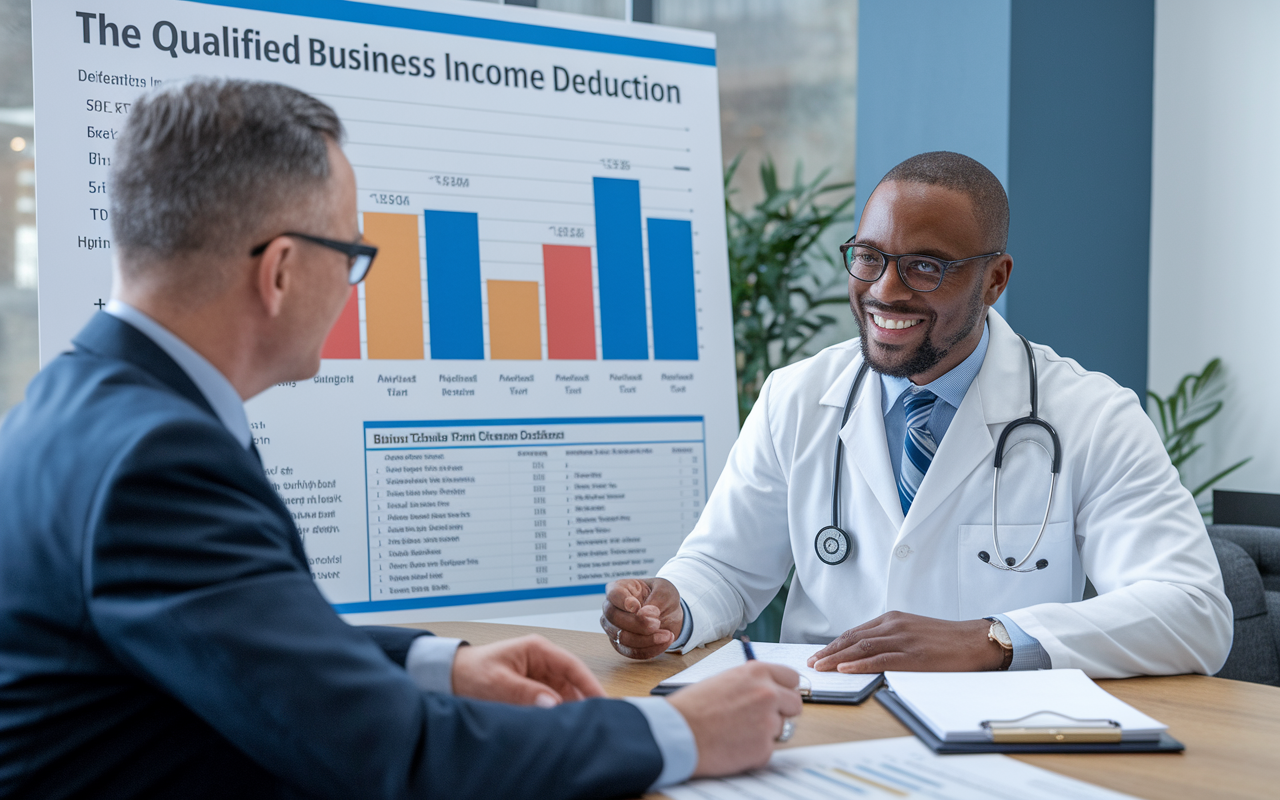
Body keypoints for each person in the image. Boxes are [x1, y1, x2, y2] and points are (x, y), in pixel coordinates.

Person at [0, 78, 804, 800]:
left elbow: (251, 640)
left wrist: (439, 664)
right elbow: (396, 756)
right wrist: (686, 734)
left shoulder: (89, 403)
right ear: (279, 271)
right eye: (353, 254)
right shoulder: (156, 459)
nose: (355, 287)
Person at [602, 151, 1233, 679]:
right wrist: (671, 608)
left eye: (925, 267)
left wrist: (991, 640)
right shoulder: (795, 396)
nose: (884, 290)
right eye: (869, 256)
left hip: (995, 746)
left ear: (995, 280)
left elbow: (1193, 612)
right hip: (820, 725)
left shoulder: (1091, 417)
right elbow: (724, 569)